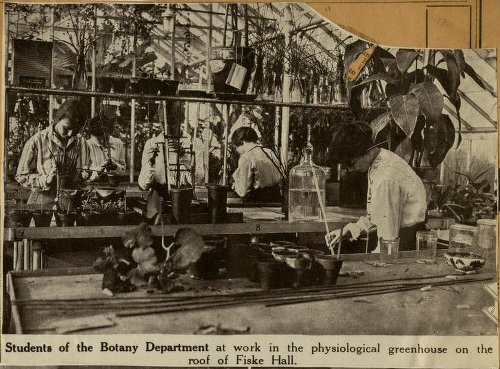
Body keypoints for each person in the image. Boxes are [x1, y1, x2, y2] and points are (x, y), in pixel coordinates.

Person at [325, 122, 427, 252]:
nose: (350, 170)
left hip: (405, 245)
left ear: (365, 151)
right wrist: (350, 229)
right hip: (398, 239)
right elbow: (379, 215)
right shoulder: (381, 159)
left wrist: (374, 263)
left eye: (351, 163)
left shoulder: (386, 177)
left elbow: (388, 241)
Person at [16, 98, 90, 205]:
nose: (70, 134)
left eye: (75, 130)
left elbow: (85, 175)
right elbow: (21, 176)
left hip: (71, 202)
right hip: (43, 201)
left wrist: (85, 175)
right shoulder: (37, 141)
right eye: (66, 128)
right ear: (58, 119)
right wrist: (45, 180)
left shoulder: (82, 143)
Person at [231, 126, 282, 203]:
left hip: (257, 202)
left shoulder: (246, 157)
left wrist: (235, 186)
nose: (237, 151)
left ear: (242, 141)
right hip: (277, 200)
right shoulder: (270, 152)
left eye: (236, 147)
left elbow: (243, 192)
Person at [85, 114, 126, 181]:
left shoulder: (118, 143)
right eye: (98, 139)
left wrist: (115, 167)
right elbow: (84, 175)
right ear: (92, 135)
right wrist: (99, 170)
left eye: (105, 138)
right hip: (94, 185)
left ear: (109, 132)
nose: (102, 141)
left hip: (113, 184)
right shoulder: (87, 145)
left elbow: (123, 171)